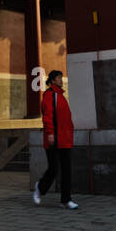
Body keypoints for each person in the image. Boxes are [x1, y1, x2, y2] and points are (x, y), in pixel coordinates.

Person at [34, 69, 78, 209]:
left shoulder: (61, 96)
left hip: (65, 139)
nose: (61, 80)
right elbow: (47, 116)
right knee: (53, 169)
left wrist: (70, 132)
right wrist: (50, 133)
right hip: (53, 138)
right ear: (52, 80)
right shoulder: (49, 95)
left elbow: (66, 119)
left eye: (61, 77)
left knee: (67, 170)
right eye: (59, 78)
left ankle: (66, 200)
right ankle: (40, 188)